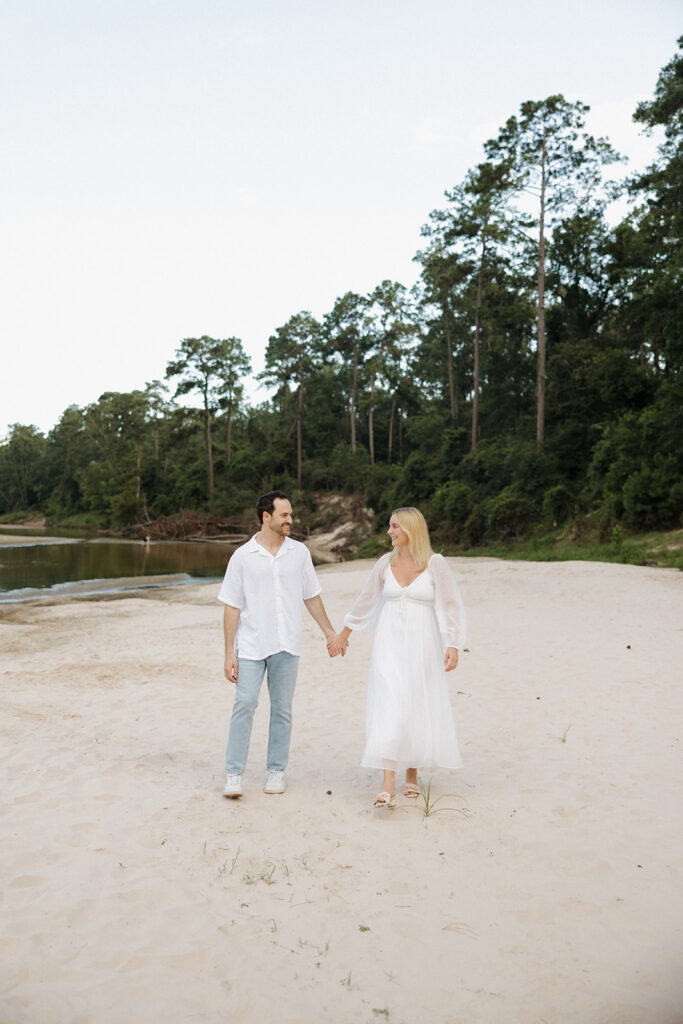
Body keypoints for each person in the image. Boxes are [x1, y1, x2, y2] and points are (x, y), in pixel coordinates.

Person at [336, 507, 465, 808]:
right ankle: (387, 783)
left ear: (410, 529)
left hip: (423, 646)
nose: (389, 532)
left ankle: (411, 774)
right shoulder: (384, 563)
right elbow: (366, 601)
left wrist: (454, 644)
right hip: (388, 645)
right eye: (389, 526)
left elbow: (451, 606)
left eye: (394, 526)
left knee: (415, 704)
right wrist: (344, 634)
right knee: (389, 705)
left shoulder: (435, 564)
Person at [219, 490, 343, 799]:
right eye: (284, 515)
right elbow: (232, 606)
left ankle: (276, 770)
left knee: (282, 709)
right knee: (244, 704)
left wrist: (329, 632)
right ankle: (233, 774)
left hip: (288, 643)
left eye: (290, 514)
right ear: (266, 517)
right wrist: (227, 653)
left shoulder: (299, 553)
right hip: (250, 645)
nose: (290, 519)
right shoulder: (242, 556)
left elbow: (311, 595)